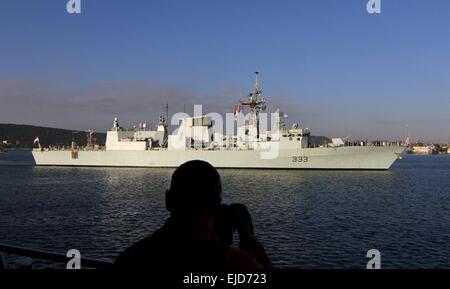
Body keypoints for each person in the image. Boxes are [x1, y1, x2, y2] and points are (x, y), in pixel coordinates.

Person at [114, 160, 272, 270]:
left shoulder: (131, 258)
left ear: (168, 201)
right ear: (216, 206)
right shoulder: (234, 262)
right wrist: (248, 240)